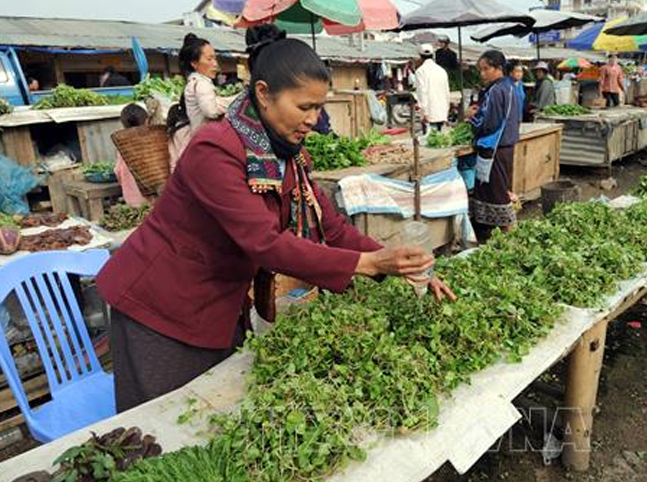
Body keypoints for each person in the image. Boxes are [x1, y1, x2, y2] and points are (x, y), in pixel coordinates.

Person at [97, 24, 455, 411]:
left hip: (217, 304)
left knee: (213, 419)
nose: (314, 120)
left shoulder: (287, 154)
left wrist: (404, 264)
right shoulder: (215, 149)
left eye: (318, 108)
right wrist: (367, 263)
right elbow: (264, 243)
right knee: (161, 433)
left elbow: (329, 227)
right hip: (160, 308)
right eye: (304, 107)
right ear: (264, 94)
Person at [465, 50, 521, 244]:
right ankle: (495, 235)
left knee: (497, 193)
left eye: (486, 69)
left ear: (498, 68)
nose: (482, 74)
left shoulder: (496, 90)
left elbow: (488, 123)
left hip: (495, 147)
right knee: (499, 189)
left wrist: (471, 117)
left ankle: (510, 236)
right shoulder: (510, 87)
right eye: (481, 70)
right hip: (506, 146)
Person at [168, 33, 235, 167]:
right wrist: (237, 100)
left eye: (215, 58)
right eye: (209, 59)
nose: (215, 64)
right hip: (207, 145)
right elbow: (211, 110)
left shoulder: (198, 82)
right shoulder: (201, 83)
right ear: (194, 63)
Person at [113, 104, 151, 207]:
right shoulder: (152, 141)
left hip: (131, 199)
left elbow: (118, 171)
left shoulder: (122, 144)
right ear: (147, 121)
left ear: (123, 124)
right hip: (153, 201)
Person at [414, 43, 450, 134]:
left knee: (430, 140)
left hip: (429, 113)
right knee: (440, 139)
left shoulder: (420, 71)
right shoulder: (441, 70)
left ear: (420, 56)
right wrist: (446, 110)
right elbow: (447, 92)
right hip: (442, 112)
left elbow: (422, 92)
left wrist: (424, 112)